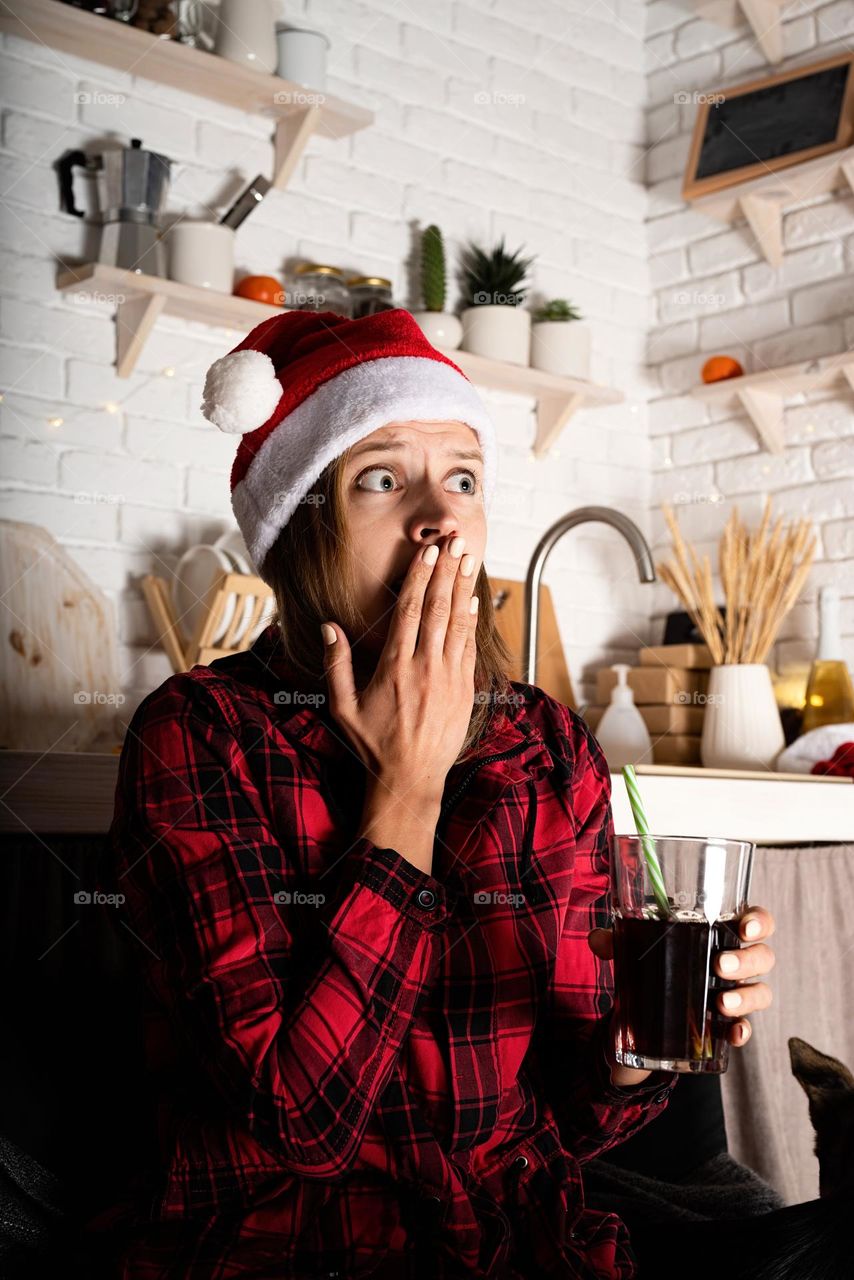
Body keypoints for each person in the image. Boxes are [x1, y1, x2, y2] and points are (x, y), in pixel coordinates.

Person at [84, 309, 776, 1279]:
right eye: (380, 476)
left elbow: (571, 1122)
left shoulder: (547, 743)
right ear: (296, 532)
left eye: (462, 477)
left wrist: (637, 1038)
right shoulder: (200, 733)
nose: (440, 516)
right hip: (273, 1244)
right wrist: (405, 790)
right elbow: (302, 1122)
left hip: (518, 1237)